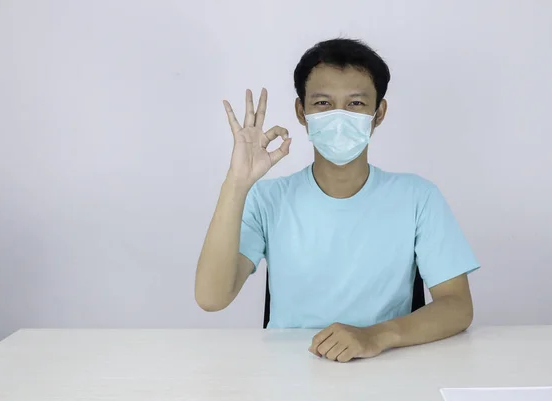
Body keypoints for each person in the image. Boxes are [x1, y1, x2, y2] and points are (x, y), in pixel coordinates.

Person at [195, 38, 480, 363]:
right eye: (323, 104)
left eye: (356, 103)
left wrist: (375, 336)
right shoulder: (268, 199)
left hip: (387, 371)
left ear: (379, 112)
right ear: (301, 112)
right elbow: (211, 298)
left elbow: (457, 306)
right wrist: (236, 183)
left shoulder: (418, 198)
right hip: (285, 376)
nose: (339, 116)